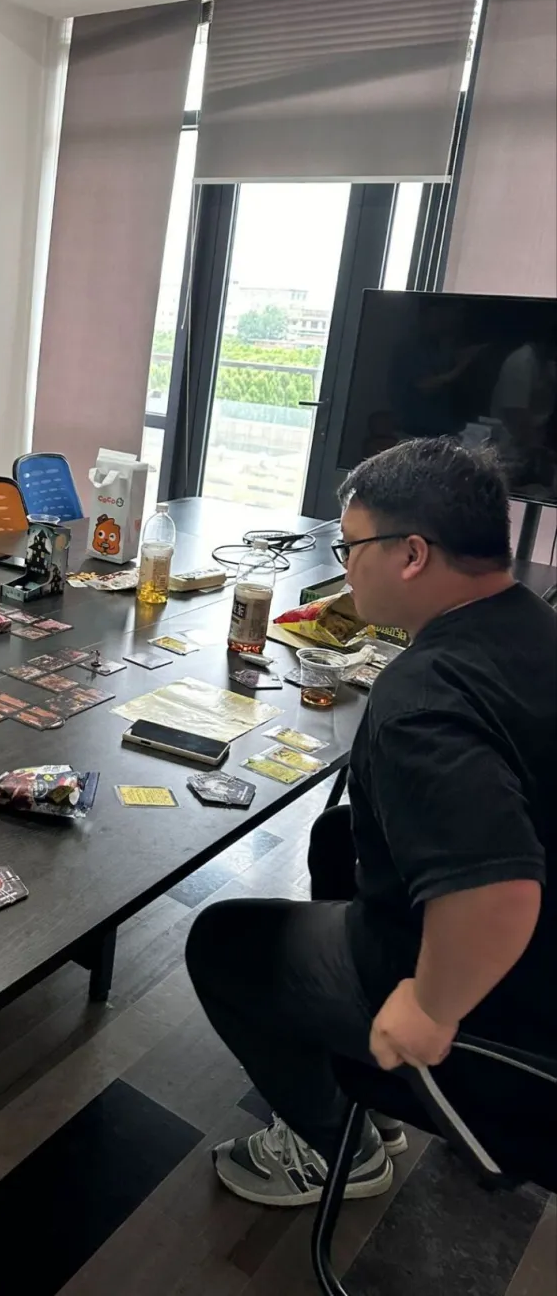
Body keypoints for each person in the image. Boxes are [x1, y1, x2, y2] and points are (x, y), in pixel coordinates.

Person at [187, 437, 554, 1207]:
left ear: (412, 554)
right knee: (337, 834)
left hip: (507, 1005)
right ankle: (359, 1082)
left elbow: (498, 892)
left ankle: (335, 1147)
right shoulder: (531, 621)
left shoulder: (422, 697)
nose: (346, 567)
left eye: (352, 547)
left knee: (220, 942)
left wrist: (428, 1007)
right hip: (537, 960)